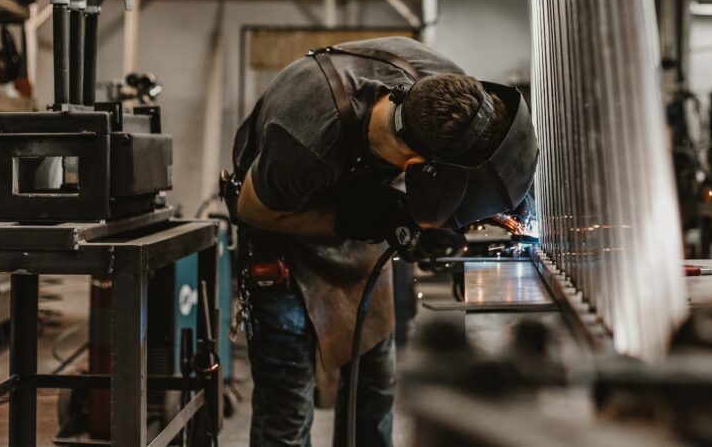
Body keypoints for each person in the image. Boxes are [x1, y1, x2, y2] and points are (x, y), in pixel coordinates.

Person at [226, 36, 537, 447]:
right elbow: (253, 210)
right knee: (288, 413)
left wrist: (506, 202)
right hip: (282, 234)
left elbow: (481, 157)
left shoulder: (450, 92)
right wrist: (357, 219)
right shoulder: (305, 139)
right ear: (418, 168)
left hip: (363, 233)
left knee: (373, 394)